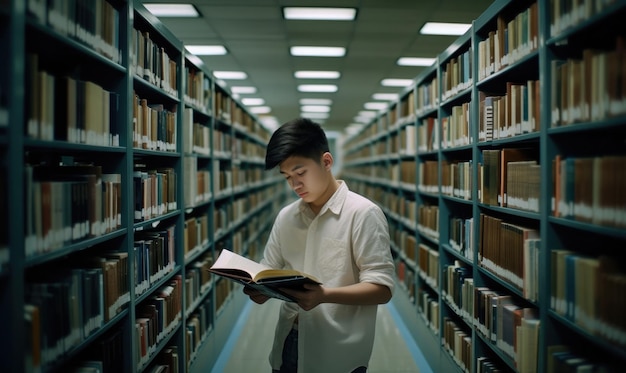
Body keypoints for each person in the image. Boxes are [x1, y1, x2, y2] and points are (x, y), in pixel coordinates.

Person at [243, 117, 396, 373]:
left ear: (326, 161)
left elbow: (382, 287)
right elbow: (267, 268)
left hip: (338, 351)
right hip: (287, 343)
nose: (295, 185)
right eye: (287, 177)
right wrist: (258, 290)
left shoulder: (363, 213)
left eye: (301, 173)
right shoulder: (286, 217)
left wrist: (325, 296)